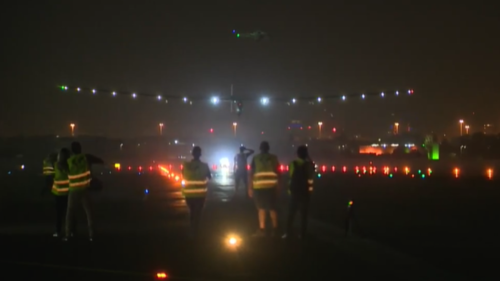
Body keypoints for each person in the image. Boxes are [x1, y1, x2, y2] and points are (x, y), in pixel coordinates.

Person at [282, 145, 315, 239]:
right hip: (305, 192)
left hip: (294, 191)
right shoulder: (308, 165)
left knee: (291, 213)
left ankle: (287, 233)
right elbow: (312, 171)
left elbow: (290, 175)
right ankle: (302, 234)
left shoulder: (293, 164)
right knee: (304, 215)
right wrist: (308, 157)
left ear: (297, 154)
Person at [249, 141, 280, 237]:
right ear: (268, 148)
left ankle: (262, 230)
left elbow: (251, 173)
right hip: (272, 187)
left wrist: (250, 188)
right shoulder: (274, 158)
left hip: (259, 187)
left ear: (260, 148)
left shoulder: (256, 158)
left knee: (261, 209)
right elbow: (279, 172)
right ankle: (275, 230)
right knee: (272, 208)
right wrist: (279, 186)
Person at [63, 142, 93, 242]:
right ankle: (92, 234)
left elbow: (66, 172)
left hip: (74, 189)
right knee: (89, 212)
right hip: (84, 188)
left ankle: (68, 234)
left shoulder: (69, 161)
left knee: (70, 213)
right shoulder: (85, 159)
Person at [182, 146, 211, 237]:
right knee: (198, 213)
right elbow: (209, 177)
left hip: (188, 194)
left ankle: (192, 228)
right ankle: (196, 230)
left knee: (192, 211)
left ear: (192, 154)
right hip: (200, 194)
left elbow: (183, 175)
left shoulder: (186, 166)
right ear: (200, 154)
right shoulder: (204, 166)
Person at [51, 148, 71, 238]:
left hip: (58, 193)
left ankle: (58, 231)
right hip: (67, 193)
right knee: (69, 214)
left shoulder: (56, 165)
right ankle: (70, 232)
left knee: (59, 215)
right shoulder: (69, 166)